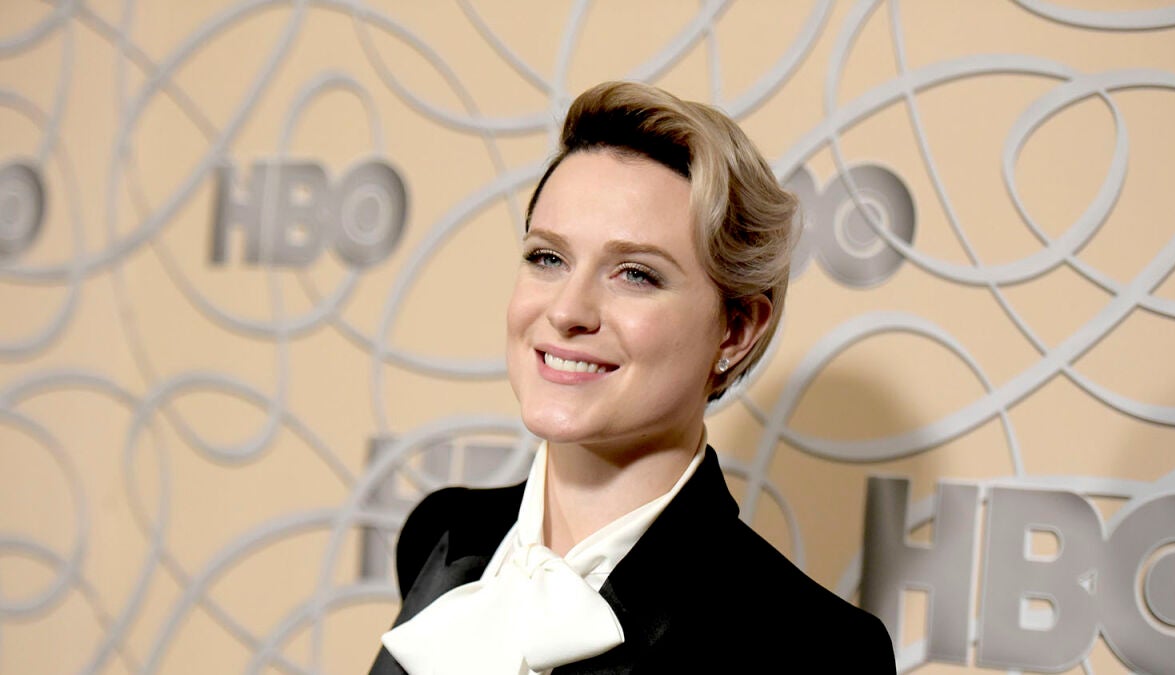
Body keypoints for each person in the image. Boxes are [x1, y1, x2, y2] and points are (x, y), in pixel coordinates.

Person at [367, 81, 896, 674]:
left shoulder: (814, 649)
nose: (567, 311)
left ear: (736, 329)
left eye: (635, 274)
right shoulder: (443, 535)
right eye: (548, 257)